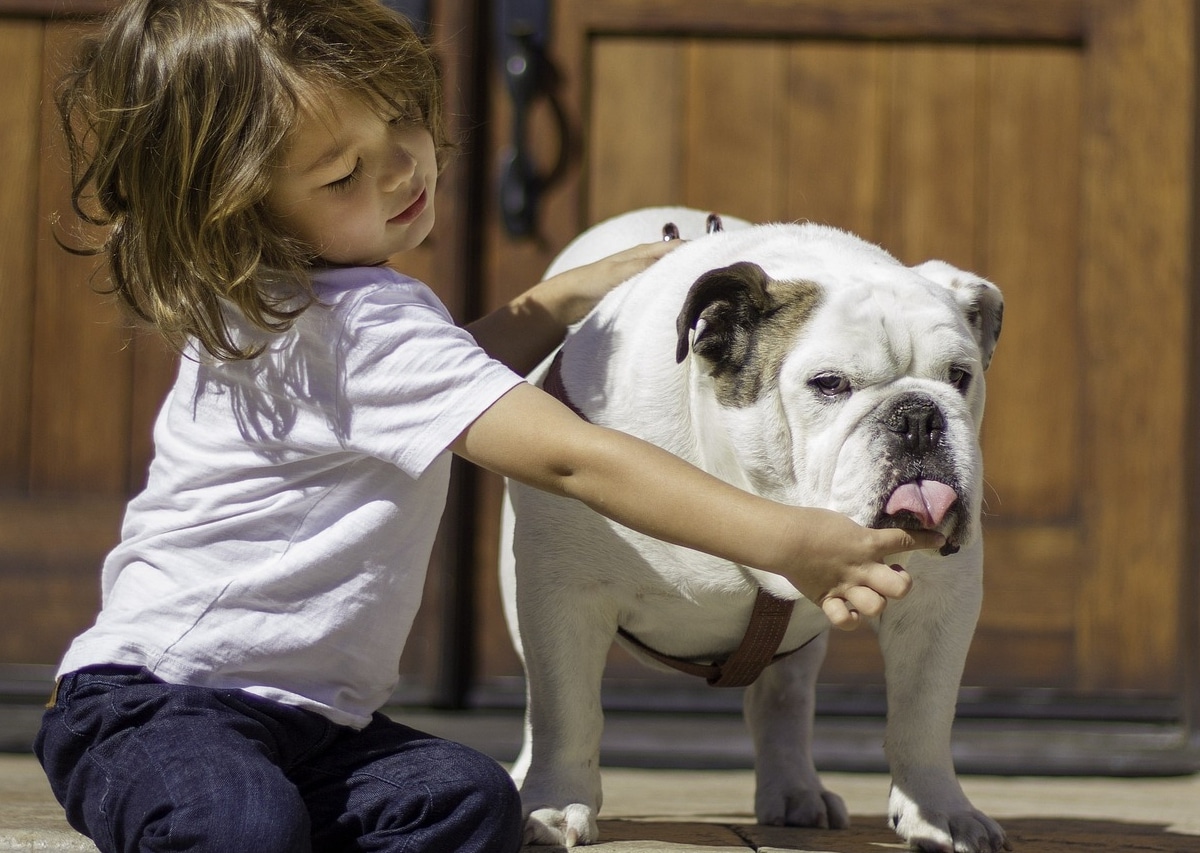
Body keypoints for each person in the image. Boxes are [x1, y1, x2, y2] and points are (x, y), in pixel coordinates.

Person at [35, 2, 943, 852]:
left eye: (401, 122)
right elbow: (568, 457)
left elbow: (444, 369)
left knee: (468, 797)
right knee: (239, 825)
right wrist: (787, 539)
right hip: (160, 705)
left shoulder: (287, 303)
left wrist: (564, 294)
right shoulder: (361, 327)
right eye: (342, 172)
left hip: (310, 724)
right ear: (236, 209)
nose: (399, 167)